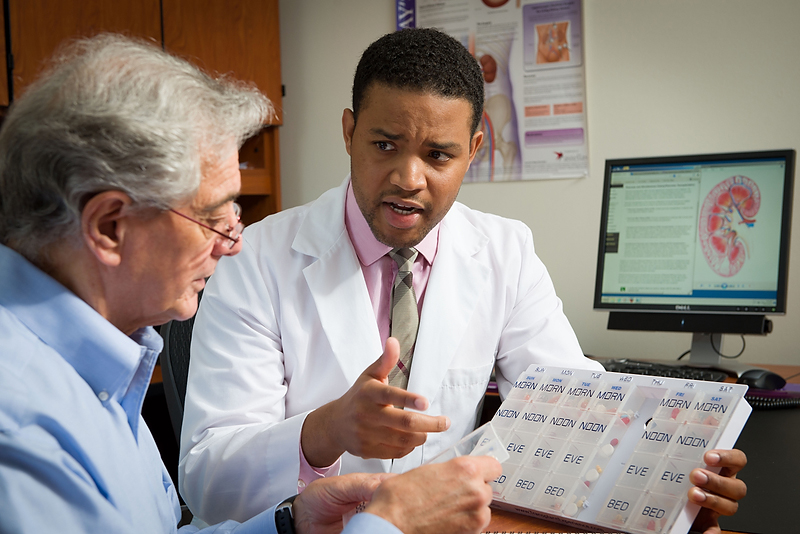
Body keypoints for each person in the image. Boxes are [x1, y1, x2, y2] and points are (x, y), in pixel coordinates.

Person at [180, 27, 747, 534]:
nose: (408, 178)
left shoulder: (505, 251)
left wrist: (677, 476)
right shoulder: (253, 258)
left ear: (473, 151)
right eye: (384, 145)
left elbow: (578, 408)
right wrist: (325, 430)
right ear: (349, 132)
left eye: (438, 155)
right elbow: (206, 479)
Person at [0, 33, 503, 534]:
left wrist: (289, 525)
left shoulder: (103, 373)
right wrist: (386, 526)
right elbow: (209, 480)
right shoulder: (21, 428)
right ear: (110, 227)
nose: (232, 243)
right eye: (214, 215)